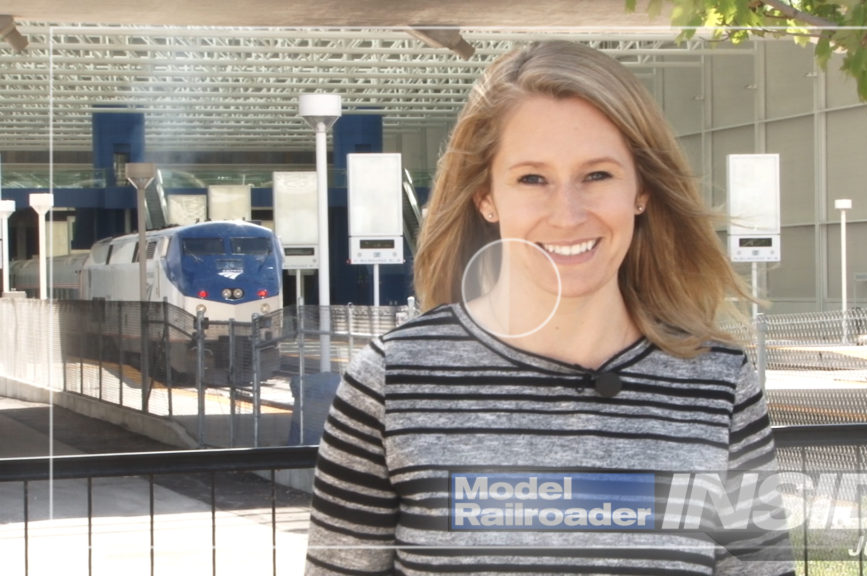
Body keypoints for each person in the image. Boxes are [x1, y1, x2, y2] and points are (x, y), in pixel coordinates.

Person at [305, 39, 794, 575]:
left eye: (598, 175)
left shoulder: (719, 383)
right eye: (532, 178)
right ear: (486, 197)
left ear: (642, 190)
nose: (567, 214)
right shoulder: (389, 382)